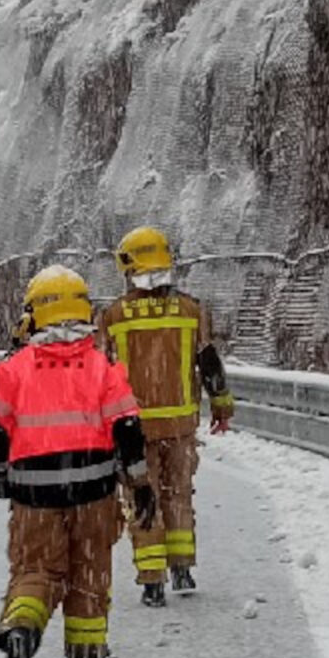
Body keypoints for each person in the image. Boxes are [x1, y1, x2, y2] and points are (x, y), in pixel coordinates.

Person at [0, 266, 156, 658]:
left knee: (35, 569)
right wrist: (140, 483)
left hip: (33, 494)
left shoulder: (13, 368)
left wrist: (2, 474)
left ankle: (22, 627)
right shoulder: (102, 366)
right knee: (89, 572)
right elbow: (128, 430)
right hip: (93, 491)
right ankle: (85, 656)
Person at [97, 224, 234, 605]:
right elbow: (209, 363)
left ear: (129, 268)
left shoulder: (113, 316)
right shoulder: (190, 310)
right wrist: (221, 405)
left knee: (142, 498)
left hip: (133, 430)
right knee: (178, 496)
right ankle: (182, 568)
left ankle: (152, 581)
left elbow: (101, 375)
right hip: (180, 426)